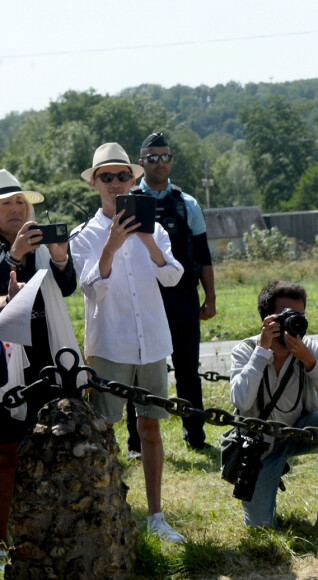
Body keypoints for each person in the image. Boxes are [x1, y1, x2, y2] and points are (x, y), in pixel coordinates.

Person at [70, 143, 185, 543]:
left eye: (123, 176)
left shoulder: (155, 226)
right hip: (109, 346)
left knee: (151, 427)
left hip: (152, 342)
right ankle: (109, 508)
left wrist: (148, 240)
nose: (116, 183)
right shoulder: (84, 236)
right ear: (95, 184)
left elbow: (173, 277)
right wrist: (112, 246)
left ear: (134, 180)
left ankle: (156, 515)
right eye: (107, 177)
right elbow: (89, 289)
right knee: (104, 431)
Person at [0, 169, 82, 553]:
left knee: (50, 443)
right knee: (7, 451)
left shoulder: (39, 243)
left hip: (46, 356)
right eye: (6, 203)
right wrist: (13, 256)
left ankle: (46, 530)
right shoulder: (14, 249)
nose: (16, 208)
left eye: (21, 201)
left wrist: (61, 259)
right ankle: (4, 541)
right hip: (4, 364)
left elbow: (66, 287)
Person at [229, 281, 318, 529]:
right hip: (260, 446)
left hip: (299, 433)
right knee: (260, 528)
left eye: (299, 316)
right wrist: (262, 351)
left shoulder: (311, 349)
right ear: (267, 319)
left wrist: (310, 362)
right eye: (285, 316)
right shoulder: (246, 350)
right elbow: (240, 400)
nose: (293, 322)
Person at [125, 132, 216, 454]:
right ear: (141, 163)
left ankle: (196, 435)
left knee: (188, 370)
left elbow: (203, 256)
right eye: (152, 158)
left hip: (182, 298)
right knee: (139, 369)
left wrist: (211, 298)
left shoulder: (187, 203)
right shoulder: (130, 200)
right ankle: (136, 442)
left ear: (172, 160)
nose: (159, 163)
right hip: (144, 299)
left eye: (165, 157)